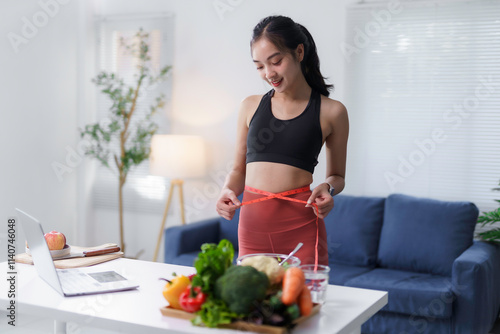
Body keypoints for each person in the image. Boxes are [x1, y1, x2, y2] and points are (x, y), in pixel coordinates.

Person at [216, 15, 349, 266]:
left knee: (303, 303)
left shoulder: (332, 112)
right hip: (252, 228)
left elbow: (337, 177)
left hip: (302, 228)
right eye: (259, 66)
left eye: (276, 61)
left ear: (299, 52)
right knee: (252, 304)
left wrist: (327, 188)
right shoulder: (250, 106)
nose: (269, 73)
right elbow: (238, 170)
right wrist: (227, 191)